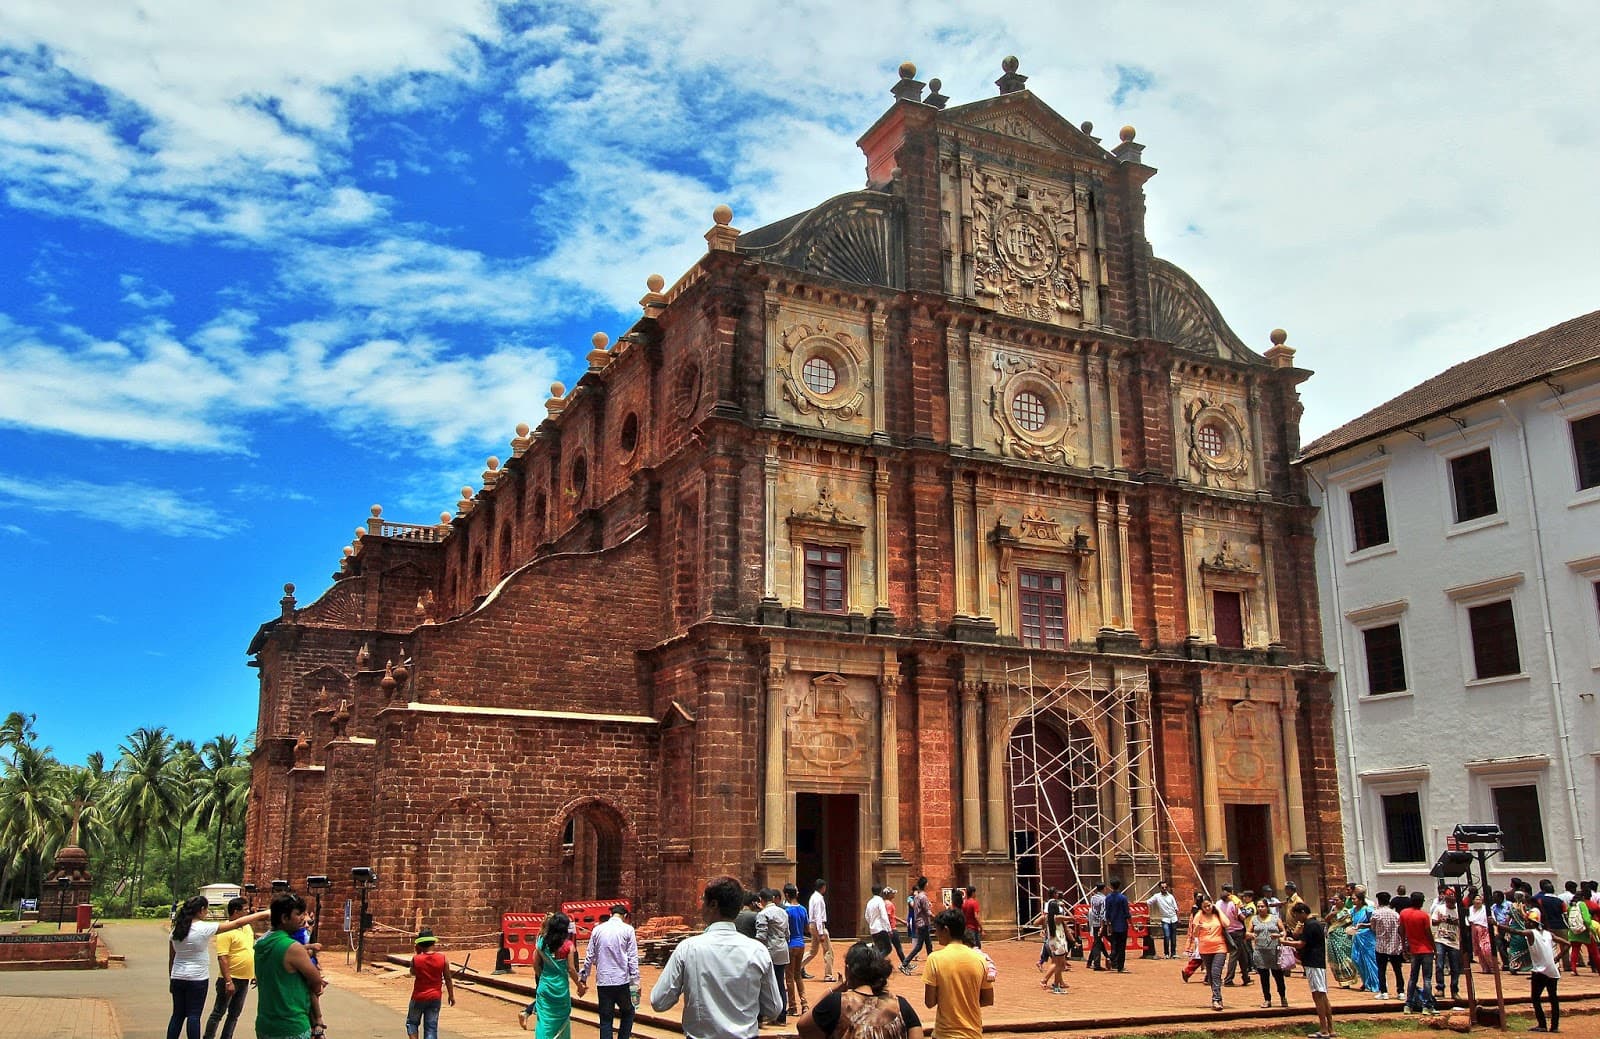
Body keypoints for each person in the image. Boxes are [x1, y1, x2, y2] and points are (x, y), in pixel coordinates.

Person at [652, 877, 783, 1039]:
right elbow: (774, 1008)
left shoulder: (688, 949)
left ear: (713, 904)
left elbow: (659, 1001)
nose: (701, 905)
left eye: (703, 900)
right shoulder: (758, 951)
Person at [169, 896, 268, 1039]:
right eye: (206, 909)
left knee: (177, 1015)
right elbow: (236, 923)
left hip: (177, 976)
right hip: (197, 978)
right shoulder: (203, 928)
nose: (206, 912)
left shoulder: (176, 931)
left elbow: (172, 958)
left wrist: (171, 979)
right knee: (193, 1015)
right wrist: (264, 913)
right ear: (201, 910)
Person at [797, 941, 924, 1039]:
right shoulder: (901, 1006)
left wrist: (831, 990)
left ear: (848, 970)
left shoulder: (836, 1003)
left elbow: (803, 1027)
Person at [254, 892, 325, 1039]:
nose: (303, 918)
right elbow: (316, 981)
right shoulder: (292, 947)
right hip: (291, 1024)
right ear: (284, 918)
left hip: (265, 1023)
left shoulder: (262, 943)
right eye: (298, 914)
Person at [923, 908, 992, 1039]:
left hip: (945, 1034)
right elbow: (988, 999)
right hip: (973, 1033)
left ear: (946, 930)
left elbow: (929, 1002)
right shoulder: (980, 959)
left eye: (937, 930)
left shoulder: (935, 958)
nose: (936, 934)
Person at [202, 897, 260, 1039]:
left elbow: (250, 950)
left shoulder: (247, 927)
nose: (248, 912)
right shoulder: (225, 930)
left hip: (244, 979)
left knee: (234, 1014)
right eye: (245, 909)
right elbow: (222, 958)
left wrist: (255, 973)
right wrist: (228, 981)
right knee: (218, 1012)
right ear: (236, 912)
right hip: (229, 979)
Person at [581, 904, 641, 1039]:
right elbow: (632, 957)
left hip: (603, 981)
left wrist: (583, 978)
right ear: (625, 916)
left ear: (611, 915)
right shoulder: (628, 930)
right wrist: (636, 981)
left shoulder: (597, 930)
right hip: (622, 981)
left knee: (605, 1019)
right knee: (628, 1012)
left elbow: (589, 955)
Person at [518, 912, 583, 1037]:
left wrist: (543, 977)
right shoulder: (568, 946)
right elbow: (571, 969)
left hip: (545, 984)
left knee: (544, 1021)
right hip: (561, 987)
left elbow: (535, 964)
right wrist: (579, 986)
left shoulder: (541, 942)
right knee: (562, 1020)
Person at [1508, 908, 1571, 1033]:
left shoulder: (1531, 933)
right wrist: (1557, 958)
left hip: (1540, 971)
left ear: (1532, 923)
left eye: (1527, 921)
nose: (1525, 923)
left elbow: (1515, 931)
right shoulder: (1548, 934)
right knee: (1553, 998)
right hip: (1552, 970)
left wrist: (1496, 924)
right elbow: (1567, 944)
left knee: (1535, 998)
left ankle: (1542, 1024)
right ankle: (1554, 1026)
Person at [1284, 902, 1333, 1039]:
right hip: (1318, 963)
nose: (1296, 918)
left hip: (1313, 963)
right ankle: (1330, 1028)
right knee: (1323, 995)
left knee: (1318, 996)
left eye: (1296, 915)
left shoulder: (1310, 925)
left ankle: (1324, 1029)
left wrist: (1284, 942)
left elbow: (1301, 944)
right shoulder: (1315, 924)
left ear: (1303, 912)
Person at [406, 927, 455, 1039]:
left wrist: (418, 953)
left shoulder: (416, 959)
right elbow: (448, 978)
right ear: (433, 943)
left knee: (412, 1023)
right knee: (431, 1027)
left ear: (419, 945)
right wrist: (451, 995)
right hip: (435, 996)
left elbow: (413, 972)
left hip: (418, 996)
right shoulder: (442, 958)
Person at [755, 890, 792, 1026]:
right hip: (783, 950)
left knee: (765, 983)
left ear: (761, 899)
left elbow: (761, 936)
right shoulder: (783, 912)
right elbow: (787, 934)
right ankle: (782, 1017)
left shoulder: (763, 914)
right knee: (780, 983)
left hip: (770, 951)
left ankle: (764, 1014)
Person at [1190, 895, 1229, 1011]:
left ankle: (1216, 999)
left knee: (1216, 973)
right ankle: (1217, 997)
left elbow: (1227, 924)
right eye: (1205, 907)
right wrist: (1198, 928)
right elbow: (1195, 934)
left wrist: (1218, 910)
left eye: (1209, 905)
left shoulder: (1217, 914)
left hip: (1219, 947)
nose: (1207, 908)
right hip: (1205, 949)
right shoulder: (1199, 915)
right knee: (1211, 975)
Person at [1399, 891, 1436, 1014]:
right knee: (1427, 979)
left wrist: (1404, 947)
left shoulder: (1404, 913)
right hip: (1426, 949)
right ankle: (1427, 1006)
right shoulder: (1424, 915)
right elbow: (1428, 933)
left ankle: (1408, 1005)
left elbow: (1402, 931)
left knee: (1413, 978)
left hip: (1414, 950)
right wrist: (1434, 948)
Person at [1248, 897, 1288, 1008]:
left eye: (1262, 906)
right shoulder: (1254, 919)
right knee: (1264, 977)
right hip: (1260, 952)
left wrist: (1279, 936)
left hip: (1274, 951)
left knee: (1278, 976)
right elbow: (1248, 932)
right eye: (1258, 906)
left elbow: (1283, 931)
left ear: (1267, 907)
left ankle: (1283, 996)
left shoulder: (1275, 918)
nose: (1260, 908)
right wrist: (1251, 935)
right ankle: (1267, 999)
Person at [1370, 891, 1405, 1000]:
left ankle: (1384, 992)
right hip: (1394, 945)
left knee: (1381, 970)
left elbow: (1373, 928)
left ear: (1379, 901)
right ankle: (1401, 991)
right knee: (1397, 970)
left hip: (1381, 945)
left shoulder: (1376, 914)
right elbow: (1400, 928)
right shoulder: (1395, 914)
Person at [1431, 886, 1463, 1003]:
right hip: (1440, 939)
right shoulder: (1439, 908)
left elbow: (1465, 925)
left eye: (1452, 901)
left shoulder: (1459, 910)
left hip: (1454, 941)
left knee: (1455, 967)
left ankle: (1454, 990)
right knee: (1439, 964)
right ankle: (1440, 988)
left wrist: (1456, 922)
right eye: (1448, 901)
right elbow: (1433, 922)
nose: (1450, 903)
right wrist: (1441, 920)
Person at [782, 885, 810, 1013]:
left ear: (787, 895)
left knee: (789, 977)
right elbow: (807, 928)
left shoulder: (786, 911)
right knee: (798, 975)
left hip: (790, 945)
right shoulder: (803, 909)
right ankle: (804, 1004)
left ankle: (793, 1006)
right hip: (801, 944)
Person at [1219, 885, 1252, 987]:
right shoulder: (1233, 903)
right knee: (1234, 954)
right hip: (1237, 931)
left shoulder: (1218, 904)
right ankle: (1228, 979)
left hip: (1226, 931)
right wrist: (1244, 911)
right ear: (1230, 893)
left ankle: (1245, 977)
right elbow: (1241, 917)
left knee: (1242, 955)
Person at [802, 879, 835, 982]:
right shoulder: (818, 899)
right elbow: (818, 916)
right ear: (823, 887)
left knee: (813, 951)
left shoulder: (813, 897)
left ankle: (795, 967)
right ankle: (828, 975)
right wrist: (821, 932)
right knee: (828, 951)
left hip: (813, 925)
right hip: (818, 926)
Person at [1349, 887, 1380, 995]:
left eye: (1354, 899)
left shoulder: (1368, 910)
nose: (1353, 901)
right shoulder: (1353, 911)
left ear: (1361, 900)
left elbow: (1374, 924)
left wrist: (1363, 925)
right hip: (1357, 937)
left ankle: (1374, 983)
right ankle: (1366, 981)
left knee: (1370, 960)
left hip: (1367, 937)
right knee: (1356, 959)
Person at [1040, 889, 1071, 995]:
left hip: (1052, 941)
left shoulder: (1048, 918)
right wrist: (1065, 908)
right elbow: (1071, 918)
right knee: (1059, 965)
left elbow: (1036, 922)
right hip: (1059, 941)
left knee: (1058, 963)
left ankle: (1057, 983)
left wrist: (1043, 928)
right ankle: (1055, 985)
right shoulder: (1057, 917)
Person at [903, 877, 933, 974]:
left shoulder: (916, 897)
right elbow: (927, 911)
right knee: (920, 946)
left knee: (928, 945)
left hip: (921, 923)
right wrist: (935, 917)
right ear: (925, 884)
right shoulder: (923, 897)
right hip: (923, 923)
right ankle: (904, 963)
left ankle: (932, 966)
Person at [1104, 879, 1131, 972]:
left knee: (1115, 945)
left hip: (1113, 925)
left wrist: (1108, 925)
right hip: (1122, 925)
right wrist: (1132, 924)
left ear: (1111, 886)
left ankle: (1111, 957)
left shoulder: (1108, 898)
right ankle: (1120, 967)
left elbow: (1107, 913)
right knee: (1122, 947)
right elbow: (1127, 913)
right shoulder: (1123, 898)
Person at [1151, 881, 1180, 959]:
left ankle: (1173, 953)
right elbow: (1149, 902)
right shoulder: (1157, 896)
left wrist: (1178, 917)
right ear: (1159, 888)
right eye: (1162, 887)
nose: (1164, 889)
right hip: (1165, 919)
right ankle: (1166, 953)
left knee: (1173, 937)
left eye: (1165, 887)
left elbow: (1176, 907)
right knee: (1166, 936)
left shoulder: (1171, 896)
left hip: (1173, 918)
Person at [865, 886, 893, 958]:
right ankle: (877, 960)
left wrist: (871, 923)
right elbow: (884, 916)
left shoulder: (869, 902)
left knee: (878, 948)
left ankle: (877, 960)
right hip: (881, 928)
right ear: (880, 892)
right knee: (888, 948)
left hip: (873, 929)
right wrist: (889, 929)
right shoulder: (880, 901)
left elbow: (866, 916)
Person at [1085, 883, 1108, 970]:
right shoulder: (1104, 899)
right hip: (1102, 923)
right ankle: (1110, 960)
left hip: (1094, 922)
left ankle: (1091, 962)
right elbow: (1103, 912)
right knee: (1111, 941)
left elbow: (1093, 910)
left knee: (1096, 942)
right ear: (1104, 889)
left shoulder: (1093, 898)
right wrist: (1103, 924)